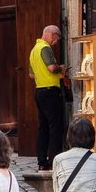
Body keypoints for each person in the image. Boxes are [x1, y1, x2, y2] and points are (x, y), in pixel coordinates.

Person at [29, 25, 66, 171]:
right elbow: (51, 68)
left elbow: (31, 75)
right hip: (50, 91)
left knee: (43, 127)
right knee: (55, 127)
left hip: (39, 91)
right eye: (57, 38)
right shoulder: (45, 48)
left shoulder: (34, 50)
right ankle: (54, 161)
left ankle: (42, 160)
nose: (56, 42)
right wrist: (61, 69)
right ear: (52, 34)